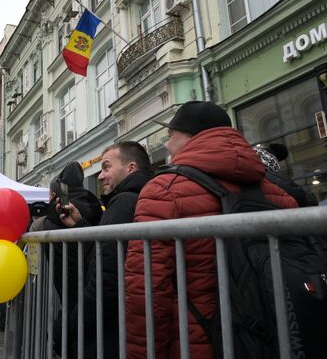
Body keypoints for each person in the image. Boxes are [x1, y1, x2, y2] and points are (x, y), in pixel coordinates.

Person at [124, 101, 297, 359]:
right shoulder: (279, 194)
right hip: (277, 336)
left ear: (192, 138)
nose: (167, 146)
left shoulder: (164, 191)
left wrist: (143, 353)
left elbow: (146, 292)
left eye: (171, 137)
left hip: (197, 342)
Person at [59, 141, 155, 358]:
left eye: (106, 167)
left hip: (109, 331)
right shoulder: (138, 197)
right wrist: (81, 225)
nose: (100, 176)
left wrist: (74, 321)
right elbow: (109, 254)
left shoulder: (123, 203)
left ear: (130, 168)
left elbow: (106, 278)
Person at [30, 161, 102, 356]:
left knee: (72, 327)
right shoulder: (97, 207)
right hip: (94, 281)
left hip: (69, 287)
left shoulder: (55, 215)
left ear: (54, 195)